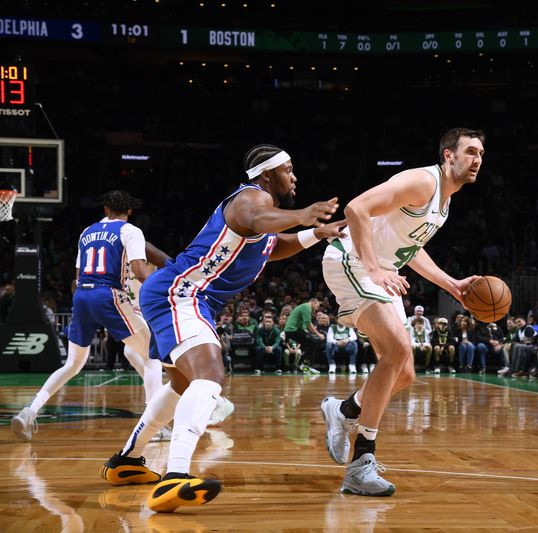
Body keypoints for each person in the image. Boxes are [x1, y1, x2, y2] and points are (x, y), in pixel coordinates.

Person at [99, 144, 344, 512]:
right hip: (182, 292)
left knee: (183, 383)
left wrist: (316, 234)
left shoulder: (261, 214)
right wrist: (303, 214)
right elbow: (262, 221)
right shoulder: (250, 198)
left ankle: (128, 461)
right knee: (210, 374)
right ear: (266, 174)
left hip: (184, 295)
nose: (295, 176)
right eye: (288, 169)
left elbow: (272, 246)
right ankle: (175, 476)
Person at [320, 128, 484, 496]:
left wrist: (452, 284)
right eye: (470, 151)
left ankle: (344, 410)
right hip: (352, 260)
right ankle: (361, 464)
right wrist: (374, 267)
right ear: (448, 155)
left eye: (481, 154)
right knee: (397, 350)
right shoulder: (422, 181)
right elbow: (355, 208)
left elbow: (412, 248)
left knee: (404, 372)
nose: (477, 160)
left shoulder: (444, 201)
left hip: (382, 271)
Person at [11, 191, 163, 441]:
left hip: (82, 295)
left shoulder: (86, 232)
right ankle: (152, 428)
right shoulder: (130, 231)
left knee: (72, 364)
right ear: (130, 211)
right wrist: (161, 287)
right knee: (152, 355)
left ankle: (30, 411)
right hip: (108, 294)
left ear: (105, 209)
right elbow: (138, 270)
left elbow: (79, 276)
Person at [283, 298, 325, 372]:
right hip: (293, 330)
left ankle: (304, 366)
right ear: (313, 302)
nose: (317, 308)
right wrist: (319, 335)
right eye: (317, 306)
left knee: (308, 344)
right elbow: (309, 324)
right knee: (313, 342)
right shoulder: (307, 307)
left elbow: (303, 325)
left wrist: (308, 332)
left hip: (291, 330)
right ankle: (308, 366)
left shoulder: (304, 307)